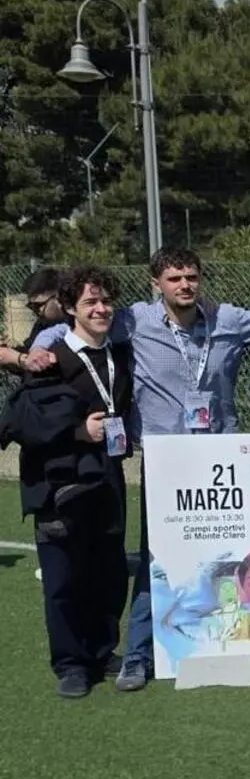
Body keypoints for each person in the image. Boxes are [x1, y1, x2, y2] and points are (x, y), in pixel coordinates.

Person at [26, 247, 250, 692]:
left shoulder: (227, 318)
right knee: (156, 557)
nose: (185, 285)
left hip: (222, 457)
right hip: (166, 462)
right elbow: (69, 327)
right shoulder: (135, 320)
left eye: (191, 277)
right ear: (156, 284)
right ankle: (138, 656)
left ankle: (233, 643)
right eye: (174, 278)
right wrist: (36, 348)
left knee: (228, 554)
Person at [0, 266, 133, 697]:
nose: (100, 309)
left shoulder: (120, 352)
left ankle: (102, 650)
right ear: (70, 309)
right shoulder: (49, 358)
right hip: (60, 480)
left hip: (108, 472)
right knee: (63, 577)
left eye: (105, 301)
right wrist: (79, 432)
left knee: (108, 569)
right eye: (90, 302)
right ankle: (71, 663)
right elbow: (24, 422)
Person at [0, 267, 64, 373]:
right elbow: (28, 351)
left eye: (38, 305)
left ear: (58, 297)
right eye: (31, 306)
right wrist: (5, 351)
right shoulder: (43, 323)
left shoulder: (74, 326)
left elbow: (48, 367)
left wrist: (17, 358)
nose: (35, 311)